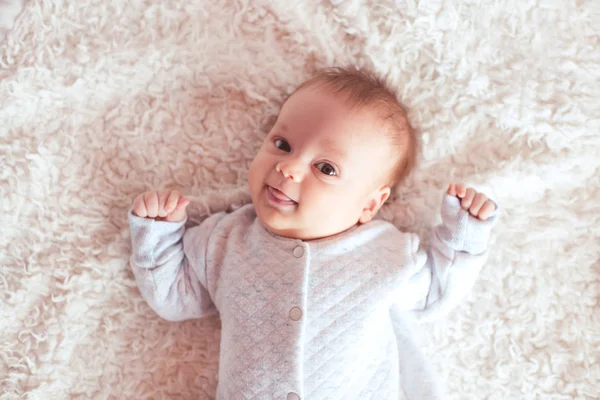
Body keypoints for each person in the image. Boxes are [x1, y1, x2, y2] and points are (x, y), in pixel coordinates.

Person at [128, 67, 498, 399]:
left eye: (325, 168)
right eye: (282, 144)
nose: (288, 167)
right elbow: (175, 298)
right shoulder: (226, 240)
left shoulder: (384, 253)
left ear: (369, 205)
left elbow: (436, 291)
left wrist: (463, 235)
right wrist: (157, 235)